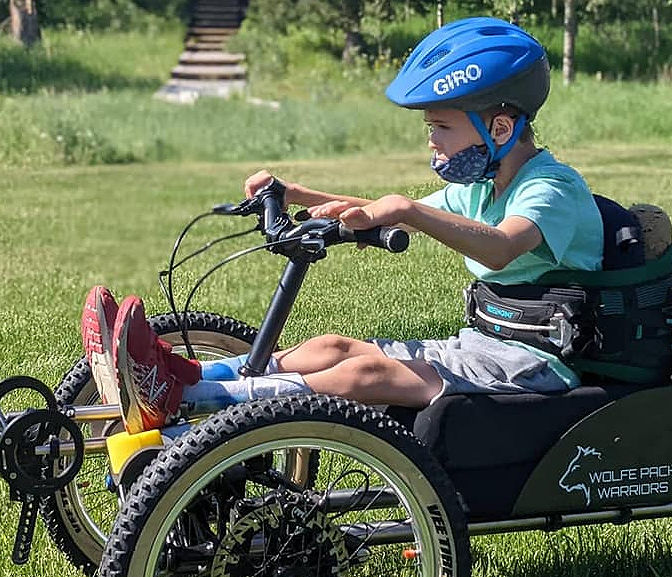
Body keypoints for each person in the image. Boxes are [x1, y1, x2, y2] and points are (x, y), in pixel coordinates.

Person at [82, 17, 604, 435]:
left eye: (441, 126)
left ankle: (200, 407)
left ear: (501, 128)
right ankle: (182, 379)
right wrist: (300, 196)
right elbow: (382, 206)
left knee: (365, 373)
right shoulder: (480, 187)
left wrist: (408, 211)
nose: (431, 141)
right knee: (330, 347)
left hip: (537, 364)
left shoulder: (551, 188)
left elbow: (503, 248)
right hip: (485, 342)